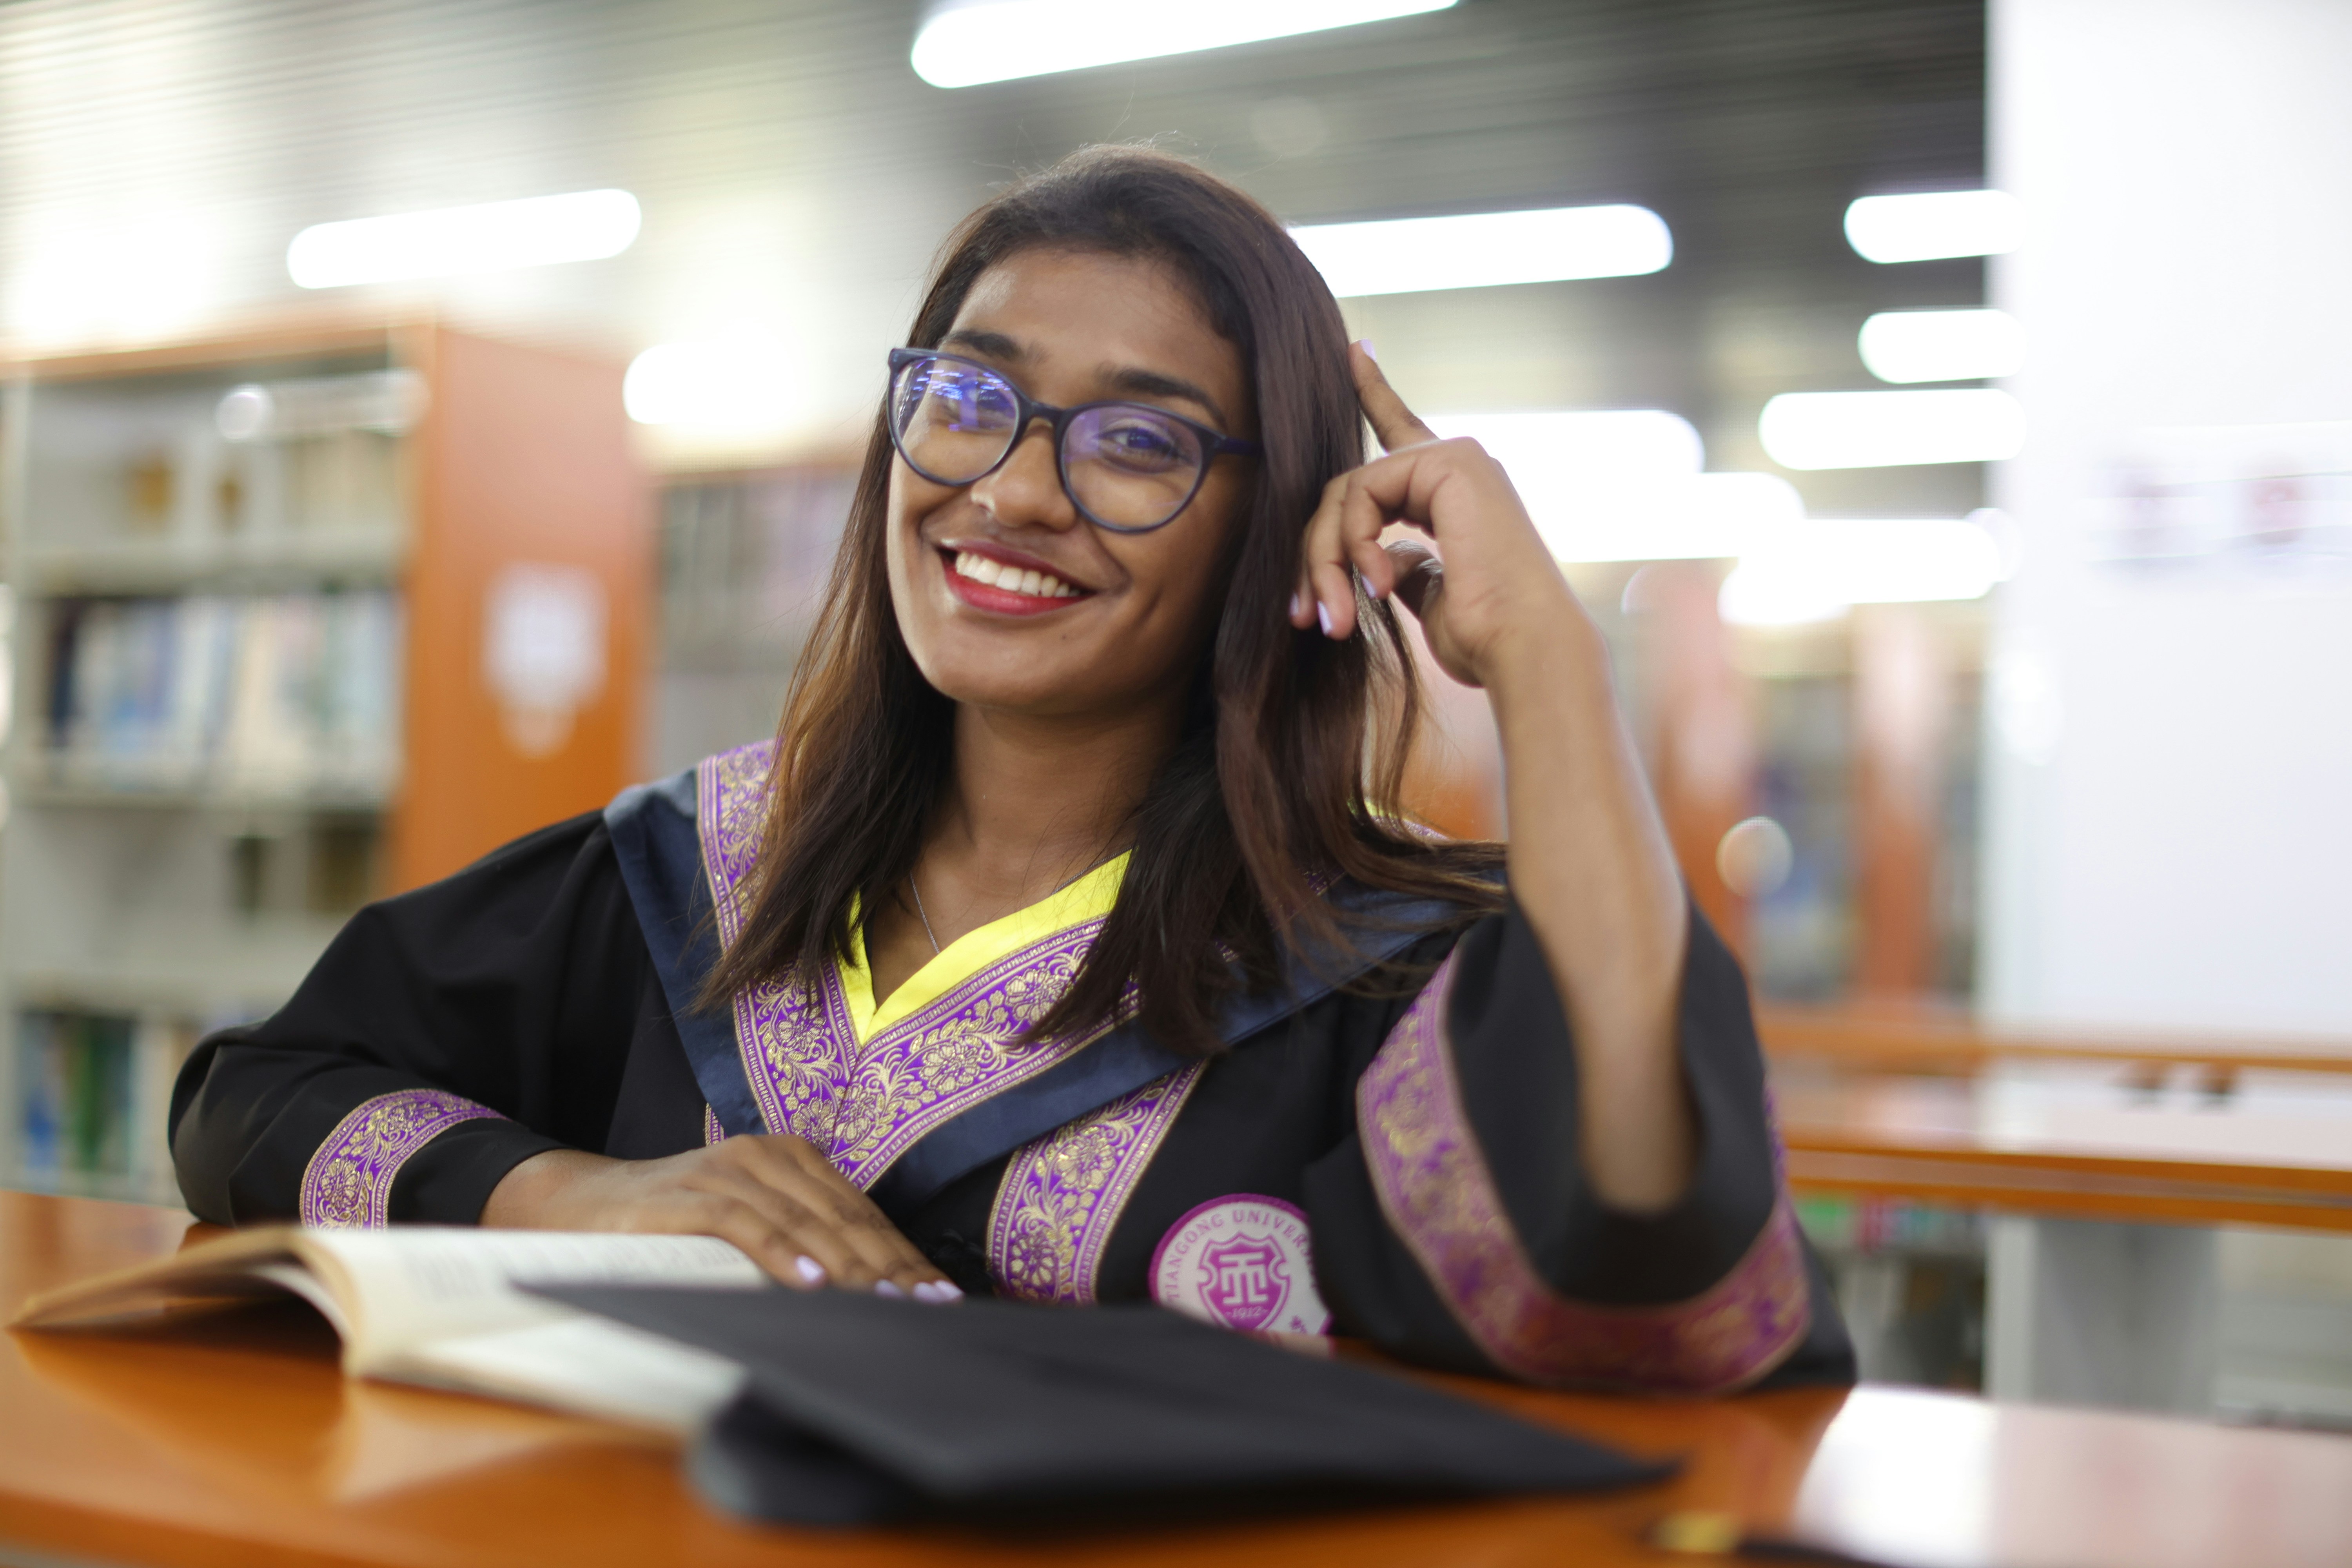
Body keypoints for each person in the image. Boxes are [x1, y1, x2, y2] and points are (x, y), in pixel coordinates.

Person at [171, 145, 1853, 1393]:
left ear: (1269, 523)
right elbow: (254, 1095)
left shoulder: (1379, 968)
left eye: (1140, 440)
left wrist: (1549, 658)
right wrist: (575, 1192)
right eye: (970, 397)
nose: (1015, 490)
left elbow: (1637, 1258)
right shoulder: (695, 878)